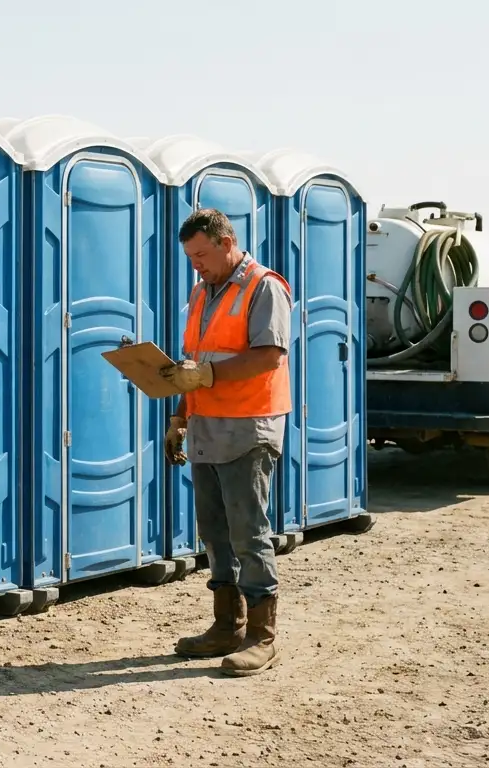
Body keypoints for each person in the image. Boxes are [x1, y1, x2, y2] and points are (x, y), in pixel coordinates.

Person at [159, 208, 292, 676]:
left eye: (201, 254)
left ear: (226, 241)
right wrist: (178, 416)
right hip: (206, 427)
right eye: (190, 257)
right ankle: (227, 626)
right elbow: (195, 362)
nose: (195, 264)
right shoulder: (203, 292)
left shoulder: (263, 286)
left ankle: (262, 637)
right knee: (215, 534)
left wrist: (207, 374)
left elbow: (269, 356)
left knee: (248, 535)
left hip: (248, 430)